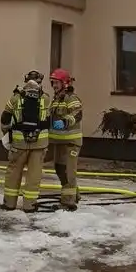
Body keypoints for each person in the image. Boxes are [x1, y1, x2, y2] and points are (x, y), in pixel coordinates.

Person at [1, 71, 49, 213]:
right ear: (40, 83)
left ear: (26, 81)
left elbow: (4, 119)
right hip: (39, 144)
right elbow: (49, 119)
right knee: (34, 175)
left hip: (19, 143)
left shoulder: (15, 98)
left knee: (14, 173)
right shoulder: (45, 99)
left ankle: (9, 203)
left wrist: (7, 135)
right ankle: (29, 205)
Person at [47, 68, 83, 210]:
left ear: (64, 83)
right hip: (58, 142)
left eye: (57, 83)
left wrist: (65, 121)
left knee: (68, 171)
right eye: (53, 83)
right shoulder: (56, 100)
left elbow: (77, 114)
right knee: (60, 169)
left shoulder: (71, 98)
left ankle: (68, 201)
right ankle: (75, 194)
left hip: (70, 142)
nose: (54, 85)